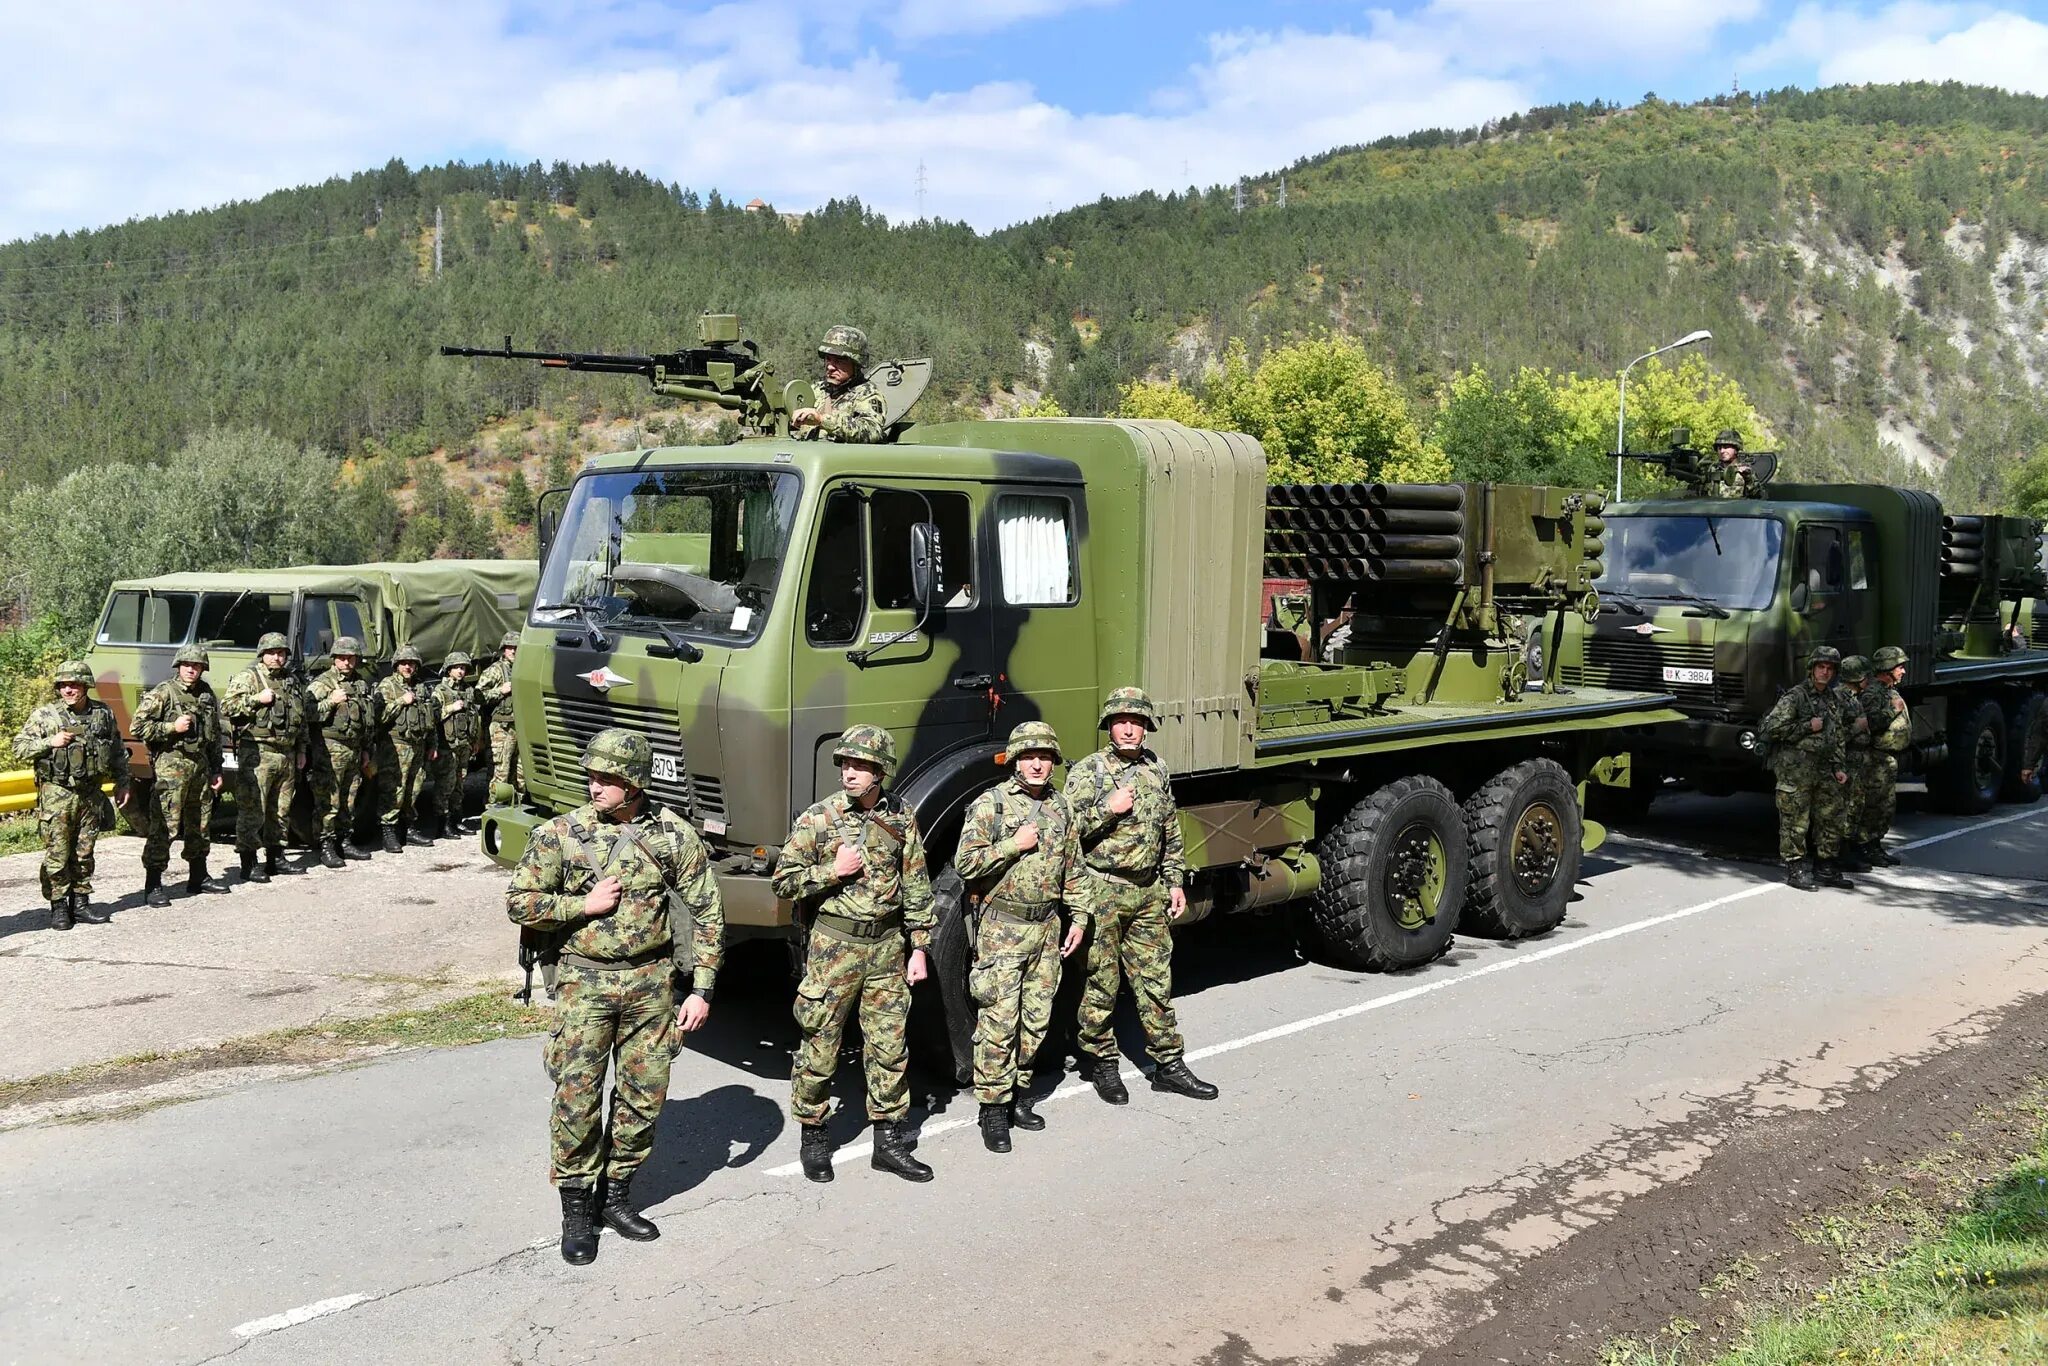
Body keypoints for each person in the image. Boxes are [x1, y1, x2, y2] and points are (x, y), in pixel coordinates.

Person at [506, 728, 724, 1265]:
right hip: (585, 981)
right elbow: (519, 902)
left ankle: (617, 1194)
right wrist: (581, 906)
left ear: (636, 784)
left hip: (652, 984)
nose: (595, 785)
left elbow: (707, 915)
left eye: (608, 778)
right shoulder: (561, 834)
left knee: (643, 1094)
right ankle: (577, 1207)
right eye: (593, 775)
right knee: (577, 1096)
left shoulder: (673, 836)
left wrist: (701, 988)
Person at [771, 724, 935, 1185]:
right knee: (820, 1044)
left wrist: (918, 946)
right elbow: (783, 882)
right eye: (845, 764)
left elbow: (917, 885)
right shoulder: (817, 820)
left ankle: (890, 1142)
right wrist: (832, 870)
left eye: (861, 765)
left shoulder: (901, 817)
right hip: (834, 946)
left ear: (881, 771)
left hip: (886, 947)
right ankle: (814, 1136)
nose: (849, 773)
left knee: (889, 1047)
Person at [1064, 687, 1219, 1103]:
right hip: (1103, 890)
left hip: (1149, 890)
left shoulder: (1156, 768)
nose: (1129, 729)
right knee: (1101, 981)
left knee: (1155, 980)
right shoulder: (1089, 771)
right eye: (1121, 721)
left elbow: (1169, 827)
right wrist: (1107, 810)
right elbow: (1065, 831)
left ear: (1147, 728)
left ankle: (1168, 1064)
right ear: (1109, 727)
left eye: (1136, 722)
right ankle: (1101, 1062)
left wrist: (1173, 880)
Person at [952, 720, 1093, 1153]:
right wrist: (1014, 844)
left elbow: (1075, 867)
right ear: (1014, 761)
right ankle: (992, 1109)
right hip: (1003, 929)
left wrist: (1080, 916)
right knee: (998, 1021)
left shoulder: (1062, 807)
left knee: (1035, 1019)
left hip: (1046, 928)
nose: (1036, 764)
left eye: (1044, 757)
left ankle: (1018, 1095)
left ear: (1053, 763)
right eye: (1028, 757)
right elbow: (966, 864)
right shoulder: (991, 806)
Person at [12, 660, 129, 930]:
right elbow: (19, 748)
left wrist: (123, 783)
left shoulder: (103, 713)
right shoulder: (46, 716)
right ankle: (58, 906)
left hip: (90, 794)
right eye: (63, 685)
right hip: (57, 794)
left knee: (85, 851)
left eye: (74, 684)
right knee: (58, 853)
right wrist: (48, 743)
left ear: (85, 686)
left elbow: (117, 751)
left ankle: (81, 903)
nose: (68, 690)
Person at [131, 644, 226, 903]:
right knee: (165, 825)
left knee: (201, 823)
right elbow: (137, 727)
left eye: (196, 667)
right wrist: (171, 727)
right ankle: (153, 884)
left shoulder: (206, 694)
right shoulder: (164, 692)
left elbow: (214, 734)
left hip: (200, 765)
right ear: (178, 667)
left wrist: (216, 768)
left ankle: (198, 876)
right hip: (172, 766)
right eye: (187, 666)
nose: (191, 670)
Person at [1759, 646, 1852, 891]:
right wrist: (1805, 727)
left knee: (1831, 817)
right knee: (1795, 821)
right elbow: (1769, 729)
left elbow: (1837, 735)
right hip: (1797, 770)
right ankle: (1796, 868)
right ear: (1812, 669)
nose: (1825, 672)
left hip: (1824, 770)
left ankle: (1826, 866)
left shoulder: (1832, 699)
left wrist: (1838, 766)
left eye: (1830, 668)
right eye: (1821, 667)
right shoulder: (1795, 697)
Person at [223, 632, 309, 885]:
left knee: (281, 810)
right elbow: (227, 707)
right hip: (258, 752)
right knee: (253, 810)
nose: (277, 657)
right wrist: (255, 700)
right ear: (262, 654)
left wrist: (302, 749)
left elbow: (300, 717)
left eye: (281, 653)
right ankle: (249, 861)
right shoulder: (249, 678)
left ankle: (276, 857)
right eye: (272, 653)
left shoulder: (291, 681)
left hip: (287, 753)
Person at [306, 637, 377, 866]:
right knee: (329, 800)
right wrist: (331, 702)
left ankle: (345, 840)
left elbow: (366, 720)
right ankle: (326, 845)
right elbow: (307, 714)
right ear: (334, 659)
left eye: (351, 658)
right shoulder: (322, 684)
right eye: (342, 658)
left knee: (350, 799)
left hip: (354, 750)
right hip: (329, 750)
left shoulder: (360, 684)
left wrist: (366, 748)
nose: (347, 662)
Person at [374, 643, 439, 851]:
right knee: (394, 789)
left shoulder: (421, 687)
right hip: (396, 746)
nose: (408, 667)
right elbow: (379, 716)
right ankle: (388, 832)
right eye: (403, 663)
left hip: (418, 745)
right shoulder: (387, 686)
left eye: (411, 663)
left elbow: (430, 719)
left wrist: (432, 744)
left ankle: (408, 828)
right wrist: (401, 701)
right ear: (396, 665)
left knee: (414, 789)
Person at [1855, 644, 1912, 867]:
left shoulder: (1888, 691)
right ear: (1887, 667)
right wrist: (1894, 710)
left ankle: (1875, 844)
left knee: (1885, 806)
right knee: (1873, 805)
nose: (1903, 671)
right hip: (1875, 758)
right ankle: (1865, 846)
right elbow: (1872, 723)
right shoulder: (1873, 693)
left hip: (1887, 757)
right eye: (1899, 667)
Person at [789, 325, 888, 444]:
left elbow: (872, 432)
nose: (830, 367)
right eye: (828, 359)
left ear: (856, 363)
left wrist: (822, 420)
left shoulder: (867, 394)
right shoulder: (817, 389)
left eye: (839, 360)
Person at [432, 651, 485, 838]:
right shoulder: (440, 691)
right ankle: (442, 823)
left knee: (459, 784)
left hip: (464, 744)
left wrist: (475, 740)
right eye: (457, 668)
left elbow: (474, 717)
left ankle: (456, 820)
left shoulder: (468, 690)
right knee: (446, 785)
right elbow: (433, 717)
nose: (461, 671)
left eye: (463, 668)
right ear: (449, 670)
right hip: (448, 746)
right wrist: (451, 708)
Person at [1834, 657, 1877, 874]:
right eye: (1866, 676)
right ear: (1858, 678)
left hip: (1857, 761)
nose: (1868, 680)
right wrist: (1856, 728)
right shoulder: (1841, 699)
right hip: (1846, 762)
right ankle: (1841, 852)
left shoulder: (1853, 698)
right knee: (1847, 807)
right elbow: (1832, 734)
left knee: (1856, 805)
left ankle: (1850, 847)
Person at [478, 631, 523, 803]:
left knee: (520, 774)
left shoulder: (524, 668)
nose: (514, 651)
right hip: (501, 729)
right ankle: (494, 808)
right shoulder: (495, 671)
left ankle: (516, 807)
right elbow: (478, 696)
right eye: (510, 648)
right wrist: (500, 690)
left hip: (520, 728)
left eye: (517, 648)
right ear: (504, 650)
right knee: (501, 772)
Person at [1707, 429, 1758, 500]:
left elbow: (1758, 496)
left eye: (1726, 447)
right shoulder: (1711, 468)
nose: (1722, 451)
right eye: (1719, 448)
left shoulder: (1745, 470)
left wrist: (1748, 479)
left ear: (1736, 449)